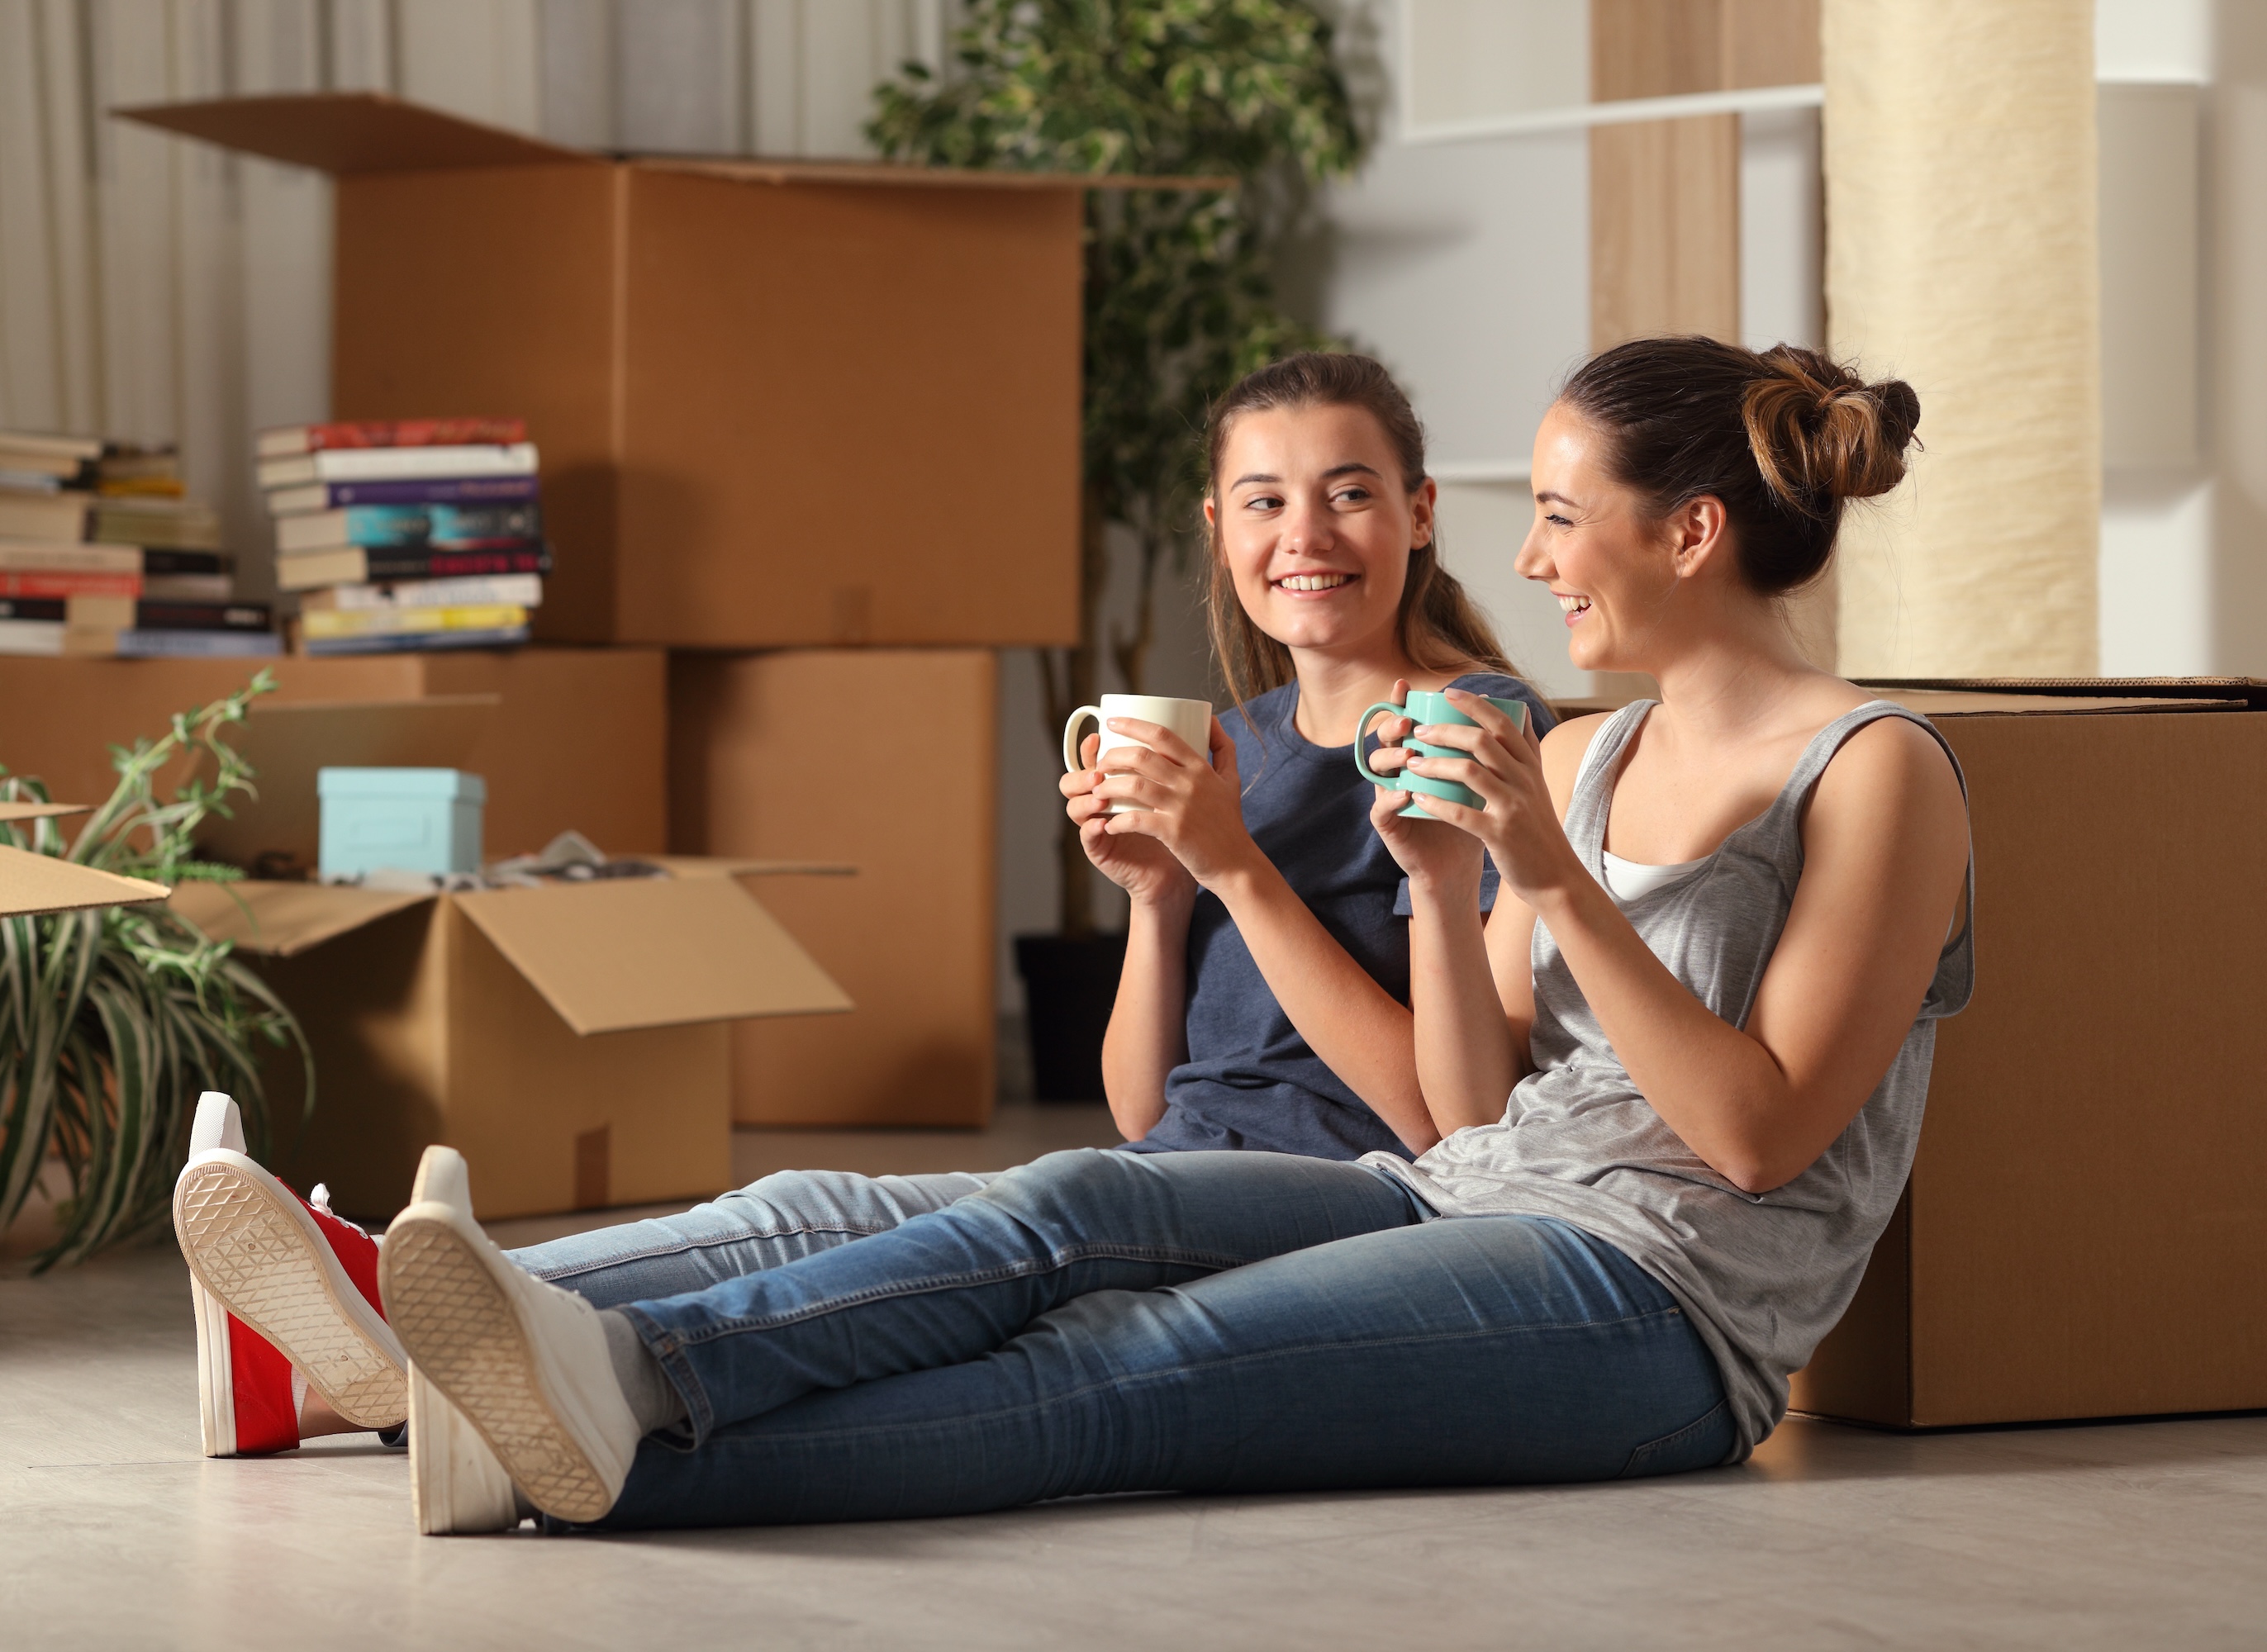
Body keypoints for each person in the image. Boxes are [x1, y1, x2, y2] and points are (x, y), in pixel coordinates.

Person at [352, 334, 1974, 1531]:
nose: (1534, 556)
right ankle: (594, 1365)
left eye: (1562, 516)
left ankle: (587, 1429)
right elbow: (1470, 1116)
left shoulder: (1877, 772)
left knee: (1131, 1367)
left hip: (1665, 1304)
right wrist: (1437, 880)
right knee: (1072, 1199)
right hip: (1448, 1194)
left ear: (1687, 533)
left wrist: (1542, 880)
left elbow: (1760, 1137)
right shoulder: (1585, 754)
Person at [172, 354, 1555, 1515]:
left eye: (1350, 494)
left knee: (1044, 1210)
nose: (1304, 534)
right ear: (1217, 526)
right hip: (1187, 1169)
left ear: (1421, 514)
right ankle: (339, 1327)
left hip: (1355, 1198)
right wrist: (1157, 896)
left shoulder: (1474, 731)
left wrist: (1236, 870)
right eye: (1265, 500)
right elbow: (1149, 1105)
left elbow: (1452, 1129)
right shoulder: (1238, 744)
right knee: (808, 1205)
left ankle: (574, 1360)